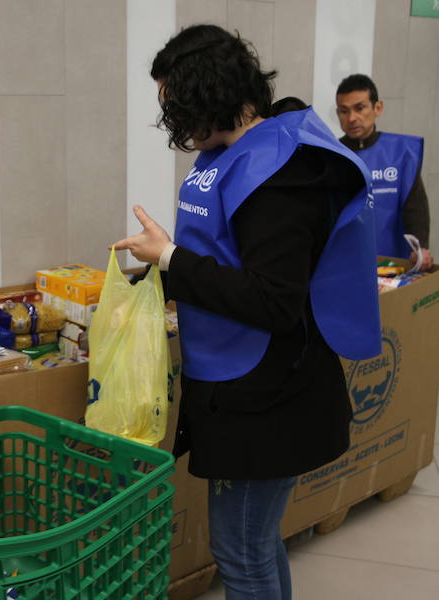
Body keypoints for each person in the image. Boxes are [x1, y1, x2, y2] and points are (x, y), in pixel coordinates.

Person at [113, 25, 380, 599]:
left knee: (240, 551)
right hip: (242, 385)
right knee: (253, 548)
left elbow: (274, 301)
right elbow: (225, 253)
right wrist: (165, 264)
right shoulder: (234, 154)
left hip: (271, 394)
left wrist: (172, 258)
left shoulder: (279, 173)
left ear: (210, 95)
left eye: (178, 106)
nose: (176, 125)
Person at [336, 73, 432, 269]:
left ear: (377, 108)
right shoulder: (332, 156)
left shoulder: (402, 152)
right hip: (345, 264)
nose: (352, 118)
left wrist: (421, 247)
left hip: (394, 262)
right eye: (343, 111)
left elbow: (415, 206)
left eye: (360, 108)